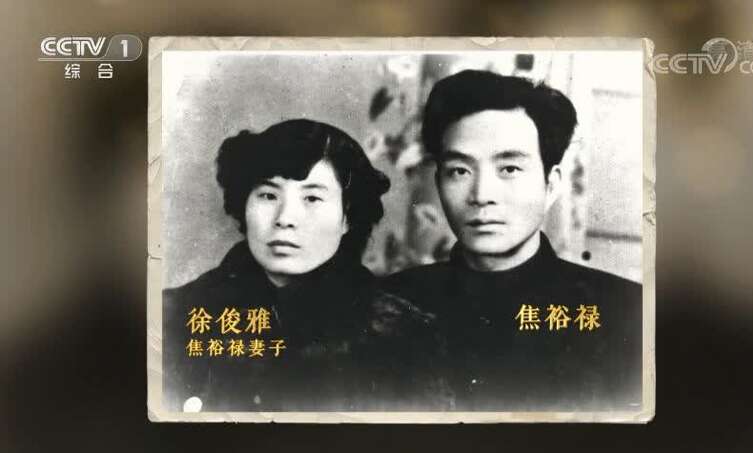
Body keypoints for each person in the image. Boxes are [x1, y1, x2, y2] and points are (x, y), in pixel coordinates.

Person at [382, 70, 643, 411]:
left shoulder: (627, 311)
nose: (481, 195)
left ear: (552, 184)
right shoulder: (387, 305)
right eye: (460, 171)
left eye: (509, 169)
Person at [163, 119, 438, 412]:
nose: (285, 218)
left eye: (312, 198)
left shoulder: (404, 337)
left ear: (347, 217)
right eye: (268, 195)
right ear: (244, 204)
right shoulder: (174, 316)